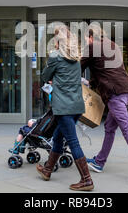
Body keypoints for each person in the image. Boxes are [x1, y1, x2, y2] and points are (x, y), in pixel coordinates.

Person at [81, 25, 128, 183]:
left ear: (90, 36)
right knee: (109, 128)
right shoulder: (113, 45)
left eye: (86, 38)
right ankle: (100, 162)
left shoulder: (93, 47)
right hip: (125, 90)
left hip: (114, 94)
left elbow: (77, 67)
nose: (85, 42)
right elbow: (104, 70)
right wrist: (91, 83)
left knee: (126, 128)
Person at [36, 25, 94, 191]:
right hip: (76, 106)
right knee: (58, 136)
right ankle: (47, 170)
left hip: (63, 107)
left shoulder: (55, 56)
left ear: (58, 41)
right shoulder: (76, 58)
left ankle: (86, 180)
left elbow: (45, 76)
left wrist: (52, 69)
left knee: (73, 142)